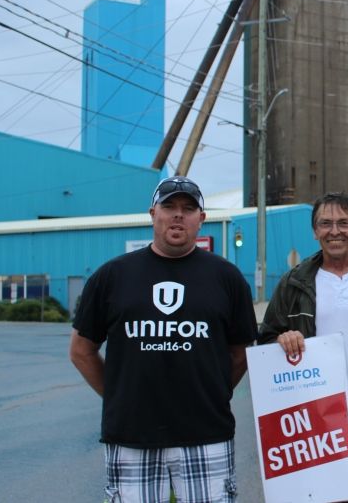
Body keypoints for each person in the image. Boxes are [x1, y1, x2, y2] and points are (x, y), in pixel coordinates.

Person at [69, 176, 257, 503]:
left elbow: (240, 354)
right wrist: (118, 397)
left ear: (202, 218)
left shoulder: (227, 278)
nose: (178, 215)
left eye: (188, 208)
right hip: (131, 436)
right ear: (152, 213)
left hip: (206, 434)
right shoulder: (112, 277)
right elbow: (81, 351)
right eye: (169, 206)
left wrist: (211, 394)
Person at [258, 192, 348, 503]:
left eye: (343, 223)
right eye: (325, 223)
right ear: (315, 231)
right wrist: (281, 340)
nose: (334, 231)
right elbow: (266, 341)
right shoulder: (293, 283)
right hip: (316, 431)